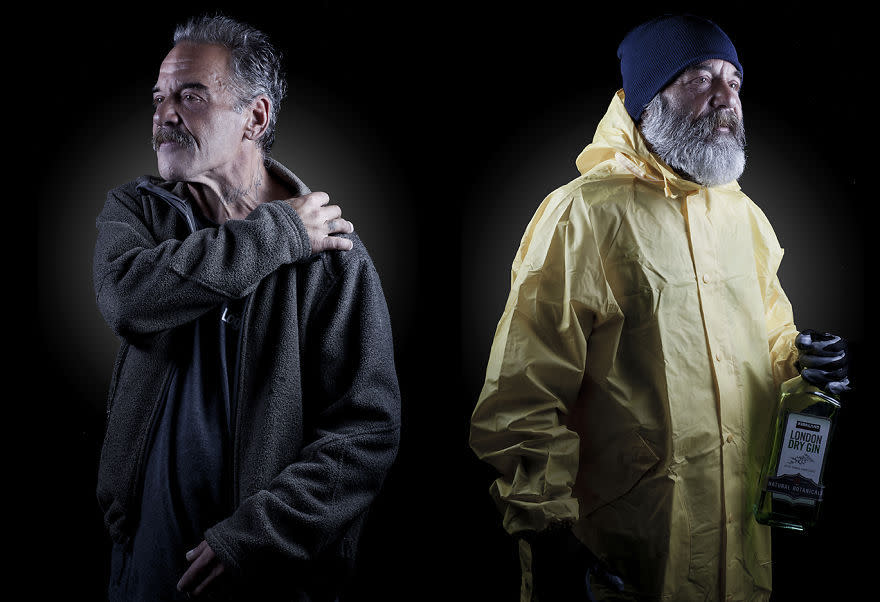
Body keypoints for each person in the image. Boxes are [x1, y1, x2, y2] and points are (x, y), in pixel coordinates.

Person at [469, 14, 849, 602]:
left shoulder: (742, 216)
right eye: (701, 77)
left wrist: (802, 366)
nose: (727, 99)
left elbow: (770, 342)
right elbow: (523, 400)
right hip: (624, 561)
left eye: (734, 80)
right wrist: (553, 538)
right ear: (648, 97)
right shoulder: (583, 217)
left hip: (740, 561)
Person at [93, 15, 401, 601]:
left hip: (271, 576)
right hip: (147, 562)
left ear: (255, 117)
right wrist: (278, 234)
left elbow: (367, 433)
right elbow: (128, 298)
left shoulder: (333, 255)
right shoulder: (137, 213)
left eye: (191, 95)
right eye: (158, 98)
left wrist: (256, 538)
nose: (165, 114)